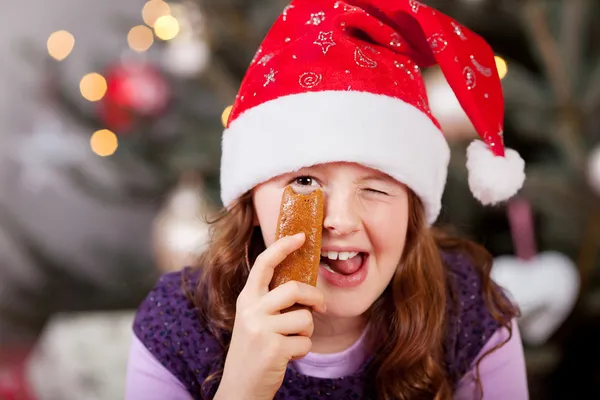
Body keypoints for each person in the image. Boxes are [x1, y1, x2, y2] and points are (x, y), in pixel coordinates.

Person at [125, 0, 529, 398]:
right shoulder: (177, 324)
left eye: (375, 187)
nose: (341, 220)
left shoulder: (470, 312)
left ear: (412, 211)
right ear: (250, 205)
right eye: (304, 182)